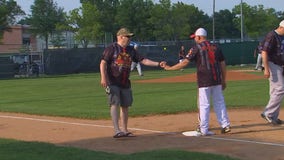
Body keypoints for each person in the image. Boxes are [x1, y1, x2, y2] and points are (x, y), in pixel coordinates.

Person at [163, 28, 231, 136]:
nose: (194, 39)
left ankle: (203, 128)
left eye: (195, 37)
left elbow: (184, 62)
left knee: (204, 104)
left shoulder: (197, 48)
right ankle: (225, 125)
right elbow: (223, 64)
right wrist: (223, 79)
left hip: (204, 80)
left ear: (199, 37)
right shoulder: (216, 47)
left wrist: (169, 68)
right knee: (219, 102)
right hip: (216, 79)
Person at [100, 27, 165, 138]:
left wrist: (158, 64)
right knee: (114, 103)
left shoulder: (131, 50)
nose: (129, 38)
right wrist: (103, 77)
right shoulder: (112, 48)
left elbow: (143, 60)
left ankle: (124, 130)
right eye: (128, 36)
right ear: (120, 37)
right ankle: (117, 130)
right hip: (113, 81)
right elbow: (103, 63)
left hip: (125, 82)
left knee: (125, 105)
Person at [260, 20, 284, 125]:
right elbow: (264, 52)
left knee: (275, 91)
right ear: (282, 27)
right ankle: (268, 113)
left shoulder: (281, 36)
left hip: (279, 64)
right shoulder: (272, 36)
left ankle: (273, 117)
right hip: (271, 63)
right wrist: (266, 68)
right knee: (280, 89)